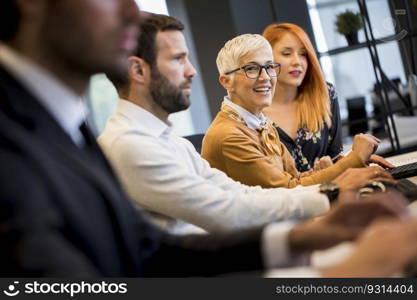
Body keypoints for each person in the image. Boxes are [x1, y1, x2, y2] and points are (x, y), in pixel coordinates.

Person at [1, 2, 415, 278]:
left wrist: (303, 235)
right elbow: (225, 212)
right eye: (179, 59)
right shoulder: (110, 142)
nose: (129, 10)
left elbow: (153, 251)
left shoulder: (74, 128)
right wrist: (329, 277)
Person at [98, 14, 393, 235]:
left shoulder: (172, 142)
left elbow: (238, 193)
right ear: (137, 69)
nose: (192, 72)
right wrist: (332, 190)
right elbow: (227, 213)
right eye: (178, 60)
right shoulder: (130, 145)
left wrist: (332, 184)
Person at [201, 34, 389, 189]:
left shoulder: (259, 122)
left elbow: (295, 177)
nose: (265, 77)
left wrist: (339, 166)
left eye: (269, 67)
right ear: (226, 81)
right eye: (251, 69)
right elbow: (288, 190)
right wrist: (354, 159)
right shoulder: (229, 136)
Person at [262, 23, 393, 172]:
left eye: (303, 54)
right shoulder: (253, 114)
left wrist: (357, 159)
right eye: (287, 54)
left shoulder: (324, 94)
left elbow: (334, 158)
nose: (297, 61)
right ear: (266, 60)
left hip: (332, 190)